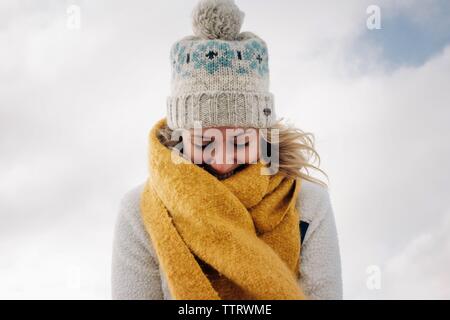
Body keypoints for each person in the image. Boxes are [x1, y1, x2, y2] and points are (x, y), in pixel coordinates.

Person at [111, 0, 342, 300]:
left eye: (241, 142)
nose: (221, 161)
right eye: (203, 143)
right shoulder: (139, 213)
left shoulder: (308, 206)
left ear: (263, 135)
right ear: (179, 138)